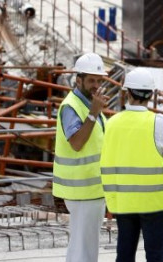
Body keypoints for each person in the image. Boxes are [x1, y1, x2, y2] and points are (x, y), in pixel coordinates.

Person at [100, 67, 163, 262]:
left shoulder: (111, 123)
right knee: (155, 255)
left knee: (124, 253)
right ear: (151, 95)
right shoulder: (156, 122)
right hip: (153, 202)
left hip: (122, 200)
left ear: (127, 93)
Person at [53, 52, 108, 262]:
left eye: (99, 80)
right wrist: (94, 113)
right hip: (82, 189)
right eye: (91, 80)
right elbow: (76, 143)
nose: (96, 85)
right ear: (79, 79)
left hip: (89, 189)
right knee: (84, 248)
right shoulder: (72, 106)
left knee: (82, 245)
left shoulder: (88, 105)